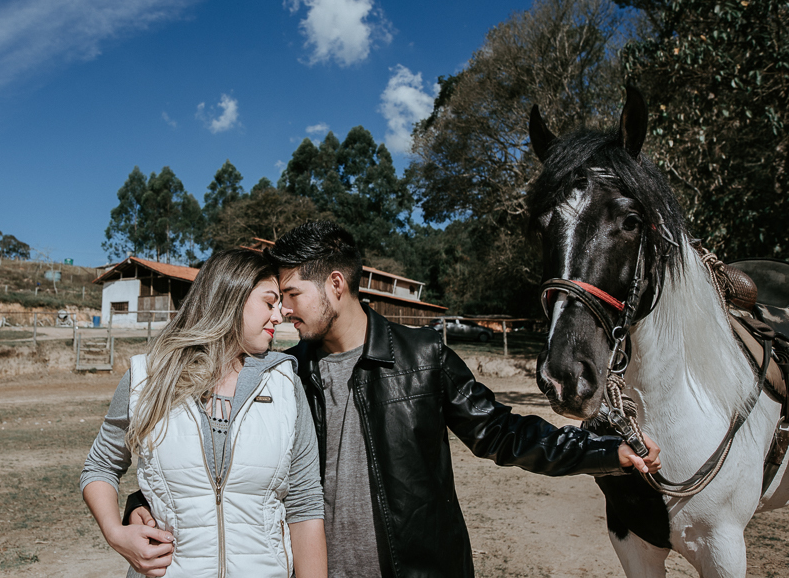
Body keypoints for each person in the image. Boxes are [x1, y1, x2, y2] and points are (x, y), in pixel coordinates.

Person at [263, 221, 661, 578]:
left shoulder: (423, 356)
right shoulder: (286, 373)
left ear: (336, 284)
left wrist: (606, 451)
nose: (283, 310)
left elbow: (504, 432)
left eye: (292, 293)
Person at [80, 249, 327, 578]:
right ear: (231, 297)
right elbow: (100, 466)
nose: (278, 316)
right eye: (269, 303)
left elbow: (304, 502)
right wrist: (116, 533)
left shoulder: (285, 385)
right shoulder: (146, 377)